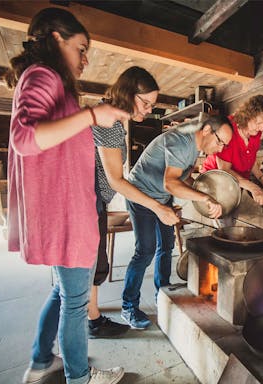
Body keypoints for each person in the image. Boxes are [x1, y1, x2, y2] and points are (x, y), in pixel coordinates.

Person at [5, 8, 129, 384]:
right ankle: (80, 377)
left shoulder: (51, 83)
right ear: (56, 39)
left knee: (63, 294)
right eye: (81, 48)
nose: (85, 58)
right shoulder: (42, 75)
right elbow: (25, 138)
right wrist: (92, 115)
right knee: (75, 304)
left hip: (67, 211)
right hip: (67, 215)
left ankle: (42, 361)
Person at [88, 66, 180, 338]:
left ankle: (92, 318)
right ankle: (88, 323)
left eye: (152, 104)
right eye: (145, 102)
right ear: (128, 93)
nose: (149, 110)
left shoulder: (110, 119)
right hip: (87, 200)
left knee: (94, 266)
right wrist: (158, 206)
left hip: (93, 200)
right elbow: (116, 179)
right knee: (87, 269)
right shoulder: (109, 123)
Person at [121, 115, 233, 329]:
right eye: (220, 142)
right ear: (208, 130)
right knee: (145, 251)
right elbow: (171, 183)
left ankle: (162, 294)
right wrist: (205, 198)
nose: (220, 149)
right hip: (141, 194)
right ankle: (129, 306)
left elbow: (181, 177)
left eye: (224, 145)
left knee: (166, 246)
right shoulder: (182, 142)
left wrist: (202, 189)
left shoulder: (195, 146)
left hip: (161, 197)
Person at [201, 95, 263, 216]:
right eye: (258, 122)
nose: (262, 127)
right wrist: (253, 188)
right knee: (222, 219)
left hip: (238, 182)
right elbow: (224, 171)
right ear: (248, 116)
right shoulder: (228, 129)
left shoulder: (256, 132)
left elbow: (250, 159)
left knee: (232, 217)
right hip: (216, 183)